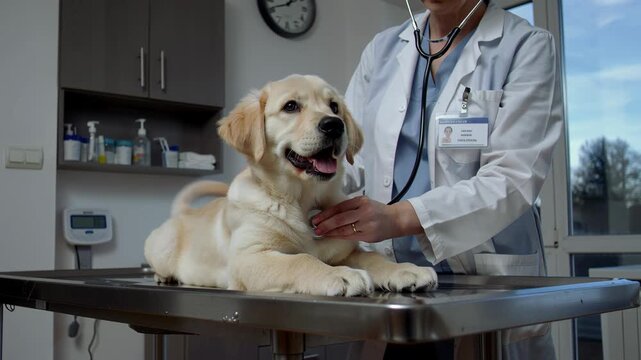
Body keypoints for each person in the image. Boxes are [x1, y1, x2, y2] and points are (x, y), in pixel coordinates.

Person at [311, 0, 563, 359]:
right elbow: (352, 158)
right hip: (394, 285)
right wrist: (297, 191)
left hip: (482, 281)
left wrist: (398, 218)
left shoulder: (525, 46)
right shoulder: (383, 49)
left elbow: (514, 177)